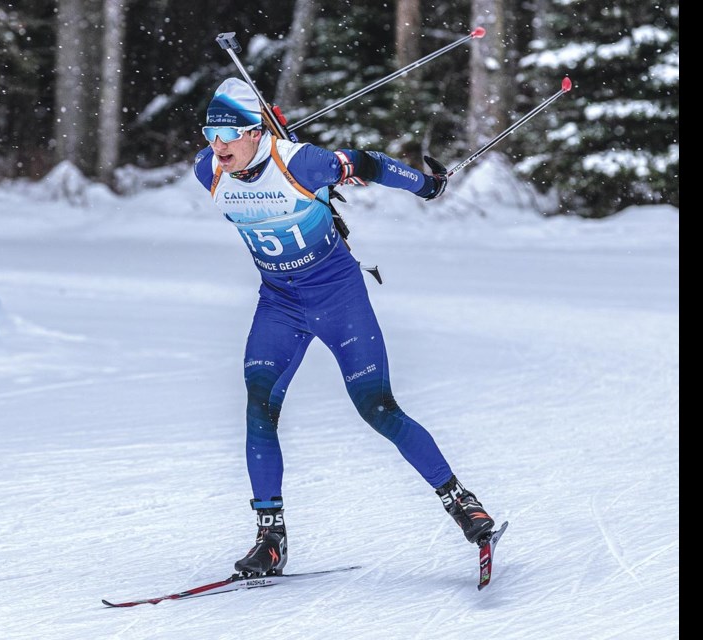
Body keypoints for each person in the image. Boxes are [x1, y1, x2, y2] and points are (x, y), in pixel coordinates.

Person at [193, 77, 495, 577]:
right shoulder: (208, 169)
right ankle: (271, 540)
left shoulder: (302, 163)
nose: (217, 146)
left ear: (255, 133)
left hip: (339, 300)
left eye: (229, 134)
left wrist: (427, 185)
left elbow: (369, 163)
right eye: (210, 133)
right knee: (258, 406)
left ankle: (463, 503)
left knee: (377, 408)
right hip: (280, 303)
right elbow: (244, 164)